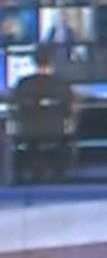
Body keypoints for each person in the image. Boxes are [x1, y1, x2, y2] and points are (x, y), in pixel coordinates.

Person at [9, 43, 77, 183]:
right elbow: (70, 110)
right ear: (52, 61)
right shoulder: (61, 84)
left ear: (33, 60)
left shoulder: (23, 84)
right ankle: (59, 175)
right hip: (56, 131)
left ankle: (29, 173)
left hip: (28, 132)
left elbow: (15, 109)